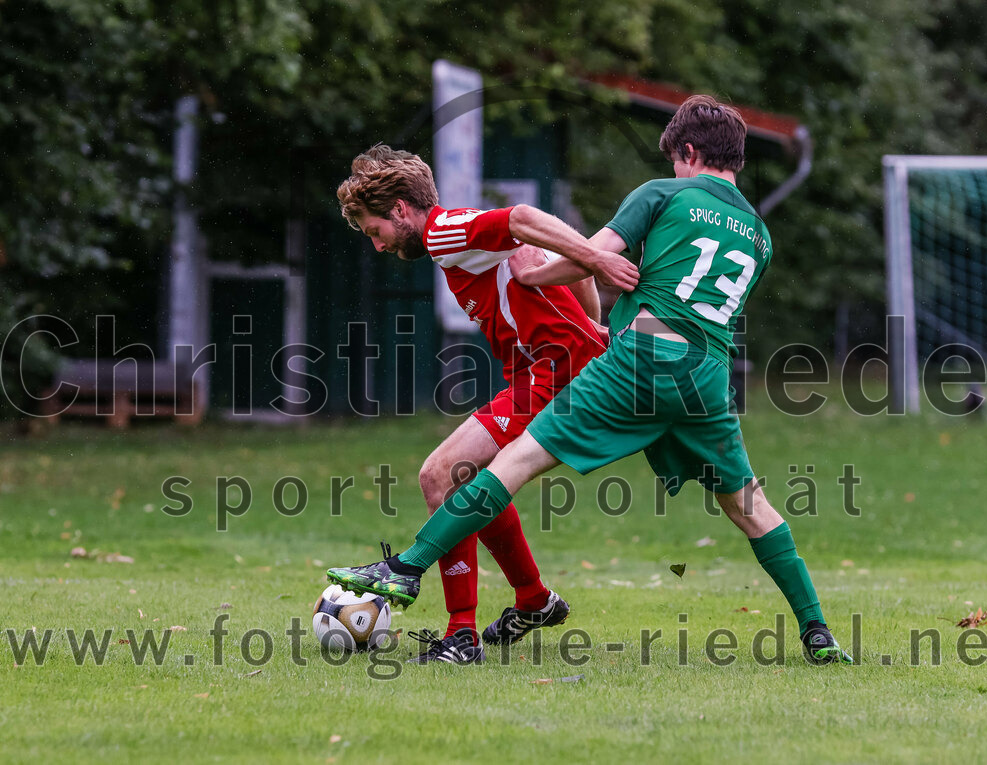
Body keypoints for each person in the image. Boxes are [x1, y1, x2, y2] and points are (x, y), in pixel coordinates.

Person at [328, 97, 853, 665]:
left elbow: (583, 250)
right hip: (707, 377)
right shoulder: (758, 233)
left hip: (631, 364)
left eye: (375, 230)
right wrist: (586, 307)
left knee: (502, 466)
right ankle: (818, 632)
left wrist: (557, 276)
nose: (377, 243)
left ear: (689, 152)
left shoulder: (661, 195)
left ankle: (411, 574)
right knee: (749, 504)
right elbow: (685, 298)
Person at [333, 145, 636, 664]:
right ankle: (533, 600)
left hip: (554, 370)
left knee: (440, 475)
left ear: (400, 211)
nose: (378, 246)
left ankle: (462, 634)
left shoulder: (442, 230)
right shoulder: (452, 241)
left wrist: (596, 260)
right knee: (466, 479)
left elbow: (524, 218)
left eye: (374, 231)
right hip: (540, 370)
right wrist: (591, 317)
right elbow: (561, 250)